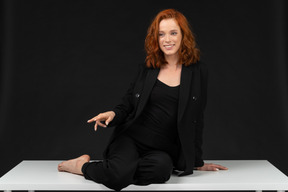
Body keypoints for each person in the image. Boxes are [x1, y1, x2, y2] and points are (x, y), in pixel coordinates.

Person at [58, 8, 228, 191]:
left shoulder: (198, 71)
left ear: (183, 35)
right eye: (161, 34)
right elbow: (129, 103)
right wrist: (113, 113)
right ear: (156, 38)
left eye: (173, 33)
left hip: (162, 149)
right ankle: (81, 166)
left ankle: (119, 169)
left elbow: (196, 118)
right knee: (118, 176)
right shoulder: (148, 69)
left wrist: (195, 161)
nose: (167, 39)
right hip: (132, 138)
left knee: (161, 172)